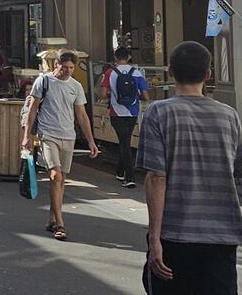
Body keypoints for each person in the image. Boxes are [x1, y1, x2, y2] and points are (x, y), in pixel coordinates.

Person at [137, 41, 242, 294]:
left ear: (170, 71)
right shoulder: (230, 116)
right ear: (208, 74)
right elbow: (238, 179)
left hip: (176, 236)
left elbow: (156, 178)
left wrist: (155, 238)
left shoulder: (158, 112)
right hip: (222, 237)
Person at [21, 50, 99, 242]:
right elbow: (32, 109)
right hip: (48, 134)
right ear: (56, 64)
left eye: (71, 68)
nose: (68, 71)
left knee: (61, 180)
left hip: (68, 136)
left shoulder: (76, 86)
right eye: (64, 67)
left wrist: (91, 141)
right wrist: (27, 136)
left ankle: (51, 218)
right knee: (55, 175)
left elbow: (81, 115)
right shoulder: (44, 81)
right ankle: (61, 224)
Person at [100, 46, 150, 188]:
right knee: (125, 141)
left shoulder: (110, 73)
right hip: (133, 112)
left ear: (115, 58)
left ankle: (129, 176)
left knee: (124, 142)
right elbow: (146, 96)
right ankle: (121, 171)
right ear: (129, 57)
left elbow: (103, 94)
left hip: (116, 113)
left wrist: (112, 94)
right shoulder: (137, 73)